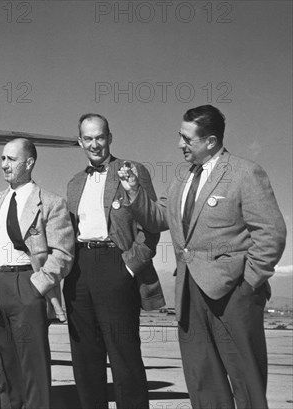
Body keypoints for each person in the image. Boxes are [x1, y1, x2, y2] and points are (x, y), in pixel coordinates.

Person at [118, 105, 286, 409]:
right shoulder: (182, 175)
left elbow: (271, 232)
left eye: (186, 138)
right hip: (189, 292)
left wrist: (249, 282)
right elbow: (158, 218)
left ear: (210, 141)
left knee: (246, 381)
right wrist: (133, 192)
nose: (179, 144)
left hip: (234, 292)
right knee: (203, 380)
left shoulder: (244, 172)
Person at [63, 114, 164, 409]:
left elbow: (151, 225)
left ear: (110, 137)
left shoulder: (132, 171)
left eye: (100, 137)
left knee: (125, 359)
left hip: (116, 264)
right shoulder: (74, 182)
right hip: (80, 270)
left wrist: (129, 266)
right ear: (80, 142)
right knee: (85, 360)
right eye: (88, 139)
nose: (95, 144)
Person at [0, 138, 74, 409]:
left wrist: (36, 285)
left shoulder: (51, 203)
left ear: (29, 163)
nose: (4, 165)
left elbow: (62, 253)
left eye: (11, 159)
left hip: (28, 285)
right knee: (7, 370)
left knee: (33, 370)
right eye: (3, 158)